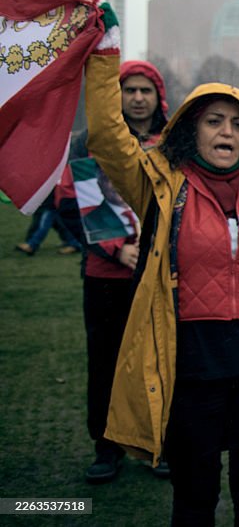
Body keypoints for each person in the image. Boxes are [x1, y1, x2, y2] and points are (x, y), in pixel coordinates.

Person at [84, 40, 239, 525]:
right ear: (192, 130)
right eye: (214, 121)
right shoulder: (160, 182)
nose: (227, 131)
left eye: (237, 124)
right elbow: (106, 138)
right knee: (194, 495)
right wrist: (104, 57)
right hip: (192, 363)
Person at [59, 60, 170, 484]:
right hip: (106, 277)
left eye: (145, 90)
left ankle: (156, 443)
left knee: (157, 362)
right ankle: (106, 446)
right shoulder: (92, 143)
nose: (138, 98)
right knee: (105, 363)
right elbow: (71, 202)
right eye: (130, 90)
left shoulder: (173, 144)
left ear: (158, 96)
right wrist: (115, 249)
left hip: (161, 277)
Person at [14, 187, 81, 255]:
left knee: (44, 224)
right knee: (60, 223)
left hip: (57, 200)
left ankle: (32, 244)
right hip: (58, 200)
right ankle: (73, 242)